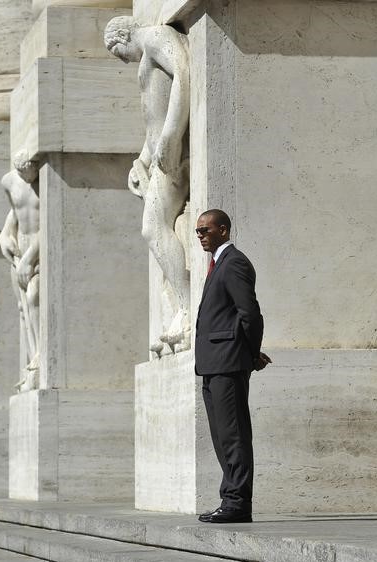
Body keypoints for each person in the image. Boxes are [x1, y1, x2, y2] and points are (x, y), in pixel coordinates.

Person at [104, 16, 191, 354]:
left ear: (123, 34)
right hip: (156, 158)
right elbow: (151, 118)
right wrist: (139, 161)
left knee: (152, 229)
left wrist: (172, 134)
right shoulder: (147, 52)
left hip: (170, 154)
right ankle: (181, 310)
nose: (122, 58)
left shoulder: (155, 36)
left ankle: (187, 309)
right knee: (155, 231)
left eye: (117, 50)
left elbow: (183, 72)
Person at [194, 209, 271, 524]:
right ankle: (230, 499)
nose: (200, 235)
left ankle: (237, 503)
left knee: (234, 434)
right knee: (222, 436)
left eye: (205, 230)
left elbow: (250, 313)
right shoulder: (217, 265)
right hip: (213, 364)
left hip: (228, 362)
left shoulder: (234, 262)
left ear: (223, 230)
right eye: (198, 231)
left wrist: (252, 354)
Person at [0, 151, 41, 391]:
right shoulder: (8, 181)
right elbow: (13, 215)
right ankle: (32, 361)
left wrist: (29, 258)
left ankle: (39, 359)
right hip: (20, 248)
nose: (30, 176)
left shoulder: (44, 180)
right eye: (25, 172)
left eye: (32, 171)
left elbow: (47, 220)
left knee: (34, 296)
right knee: (22, 308)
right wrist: (4, 236)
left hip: (36, 250)